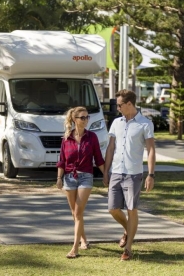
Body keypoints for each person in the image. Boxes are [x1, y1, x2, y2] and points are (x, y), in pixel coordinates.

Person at [103, 89, 155, 261]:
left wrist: (151, 174)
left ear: (129, 104)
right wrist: (105, 171)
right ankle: (128, 229)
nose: (117, 108)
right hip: (116, 172)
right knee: (113, 208)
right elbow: (110, 148)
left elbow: (151, 150)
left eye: (119, 105)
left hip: (134, 174)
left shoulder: (145, 124)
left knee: (132, 210)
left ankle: (128, 248)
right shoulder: (116, 123)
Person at [56, 106, 105, 259]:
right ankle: (83, 240)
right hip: (69, 177)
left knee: (78, 212)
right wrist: (59, 178)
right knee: (75, 213)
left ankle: (74, 248)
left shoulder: (92, 137)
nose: (85, 120)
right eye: (82, 117)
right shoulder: (66, 137)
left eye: (87, 117)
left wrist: (106, 175)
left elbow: (98, 158)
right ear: (74, 119)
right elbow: (62, 160)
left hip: (86, 177)